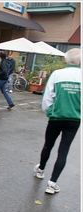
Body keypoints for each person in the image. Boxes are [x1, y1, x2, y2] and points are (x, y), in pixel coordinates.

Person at [34, 48, 81, 195]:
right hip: (74, 119)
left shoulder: (57, 74)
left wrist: (49, 112)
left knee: (48, 145)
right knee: (63, 150)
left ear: (66, 60)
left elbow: (47, 97)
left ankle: (41, 170)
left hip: (56, 117)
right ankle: (52, 183)